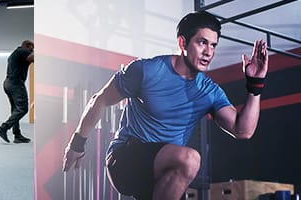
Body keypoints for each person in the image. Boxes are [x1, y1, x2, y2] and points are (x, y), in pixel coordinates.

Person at [62, 11, 268, 200]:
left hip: (164, 172)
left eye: (213, 45)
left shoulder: (208, 91)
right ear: (182, 43)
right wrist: (77, 144)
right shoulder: (146, 71)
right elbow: (100, 99)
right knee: (190, 158)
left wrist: (255, 85)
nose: (208, 52)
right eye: (202, 42)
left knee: (186, 161)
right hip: (124, 160)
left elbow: (243, 130)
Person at [0, 40, 34, 144]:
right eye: (32, 48)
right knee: (23, 109)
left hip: (8, 83)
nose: (32, 50)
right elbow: (33, 58)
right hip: (16, 84)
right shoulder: (23, 51)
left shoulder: (14, 53)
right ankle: (3, 128)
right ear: (28, 46)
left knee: (16, 110)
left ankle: (17, 135)